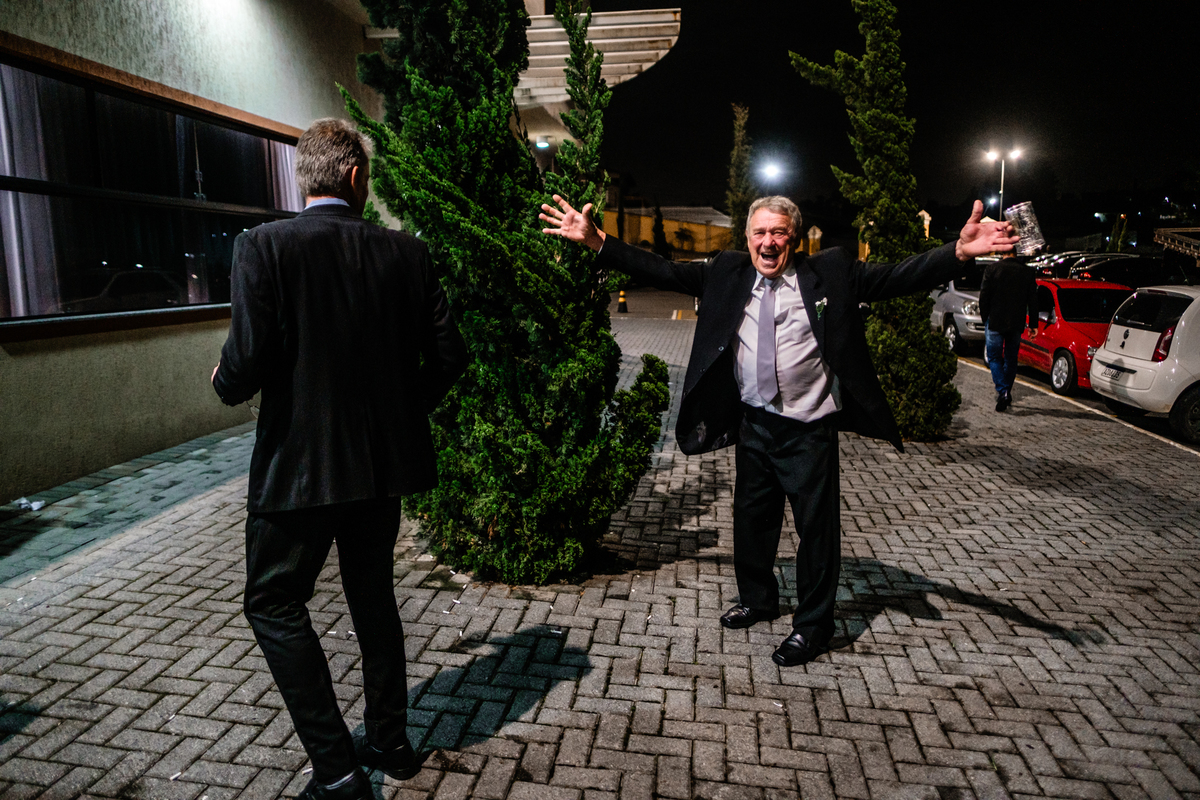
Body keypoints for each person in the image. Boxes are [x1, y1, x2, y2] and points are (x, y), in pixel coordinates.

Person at [540, 194, 1016, 667]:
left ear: (794, 236)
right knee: (752, 520)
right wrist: (598, 241)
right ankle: (759, 599)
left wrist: (957, 251)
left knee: (816, 532)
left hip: (808, 429)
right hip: (753, 423)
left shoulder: (829, 273)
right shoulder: (726, 272)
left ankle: (813, 627)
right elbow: (660, 269)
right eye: (759, 233)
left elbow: (895, 277)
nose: (768, 243)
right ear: (746, 238)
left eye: (779, 232)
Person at [212, 119, 467, 799]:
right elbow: (450, 357)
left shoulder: (263, 247)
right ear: (356, 177)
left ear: (309, 178)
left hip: (297, 470)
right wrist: (400, 413)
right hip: (379, 471)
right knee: (371, 594)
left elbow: (247, 359)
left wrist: (222, 380)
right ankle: (389, 739)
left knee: (272, 602)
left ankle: (337, 769)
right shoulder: (406, 254)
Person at [979, 256, 1038, 411]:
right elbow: (1033, 300)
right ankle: (1006, 390)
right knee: (1011, 359)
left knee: (994, 357)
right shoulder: (1027, 271)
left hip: (995, 320)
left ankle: (1003, 390)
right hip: (1016, 322)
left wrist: (985, 317)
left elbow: (984, 296)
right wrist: (1033, 324)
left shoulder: (992, 269)